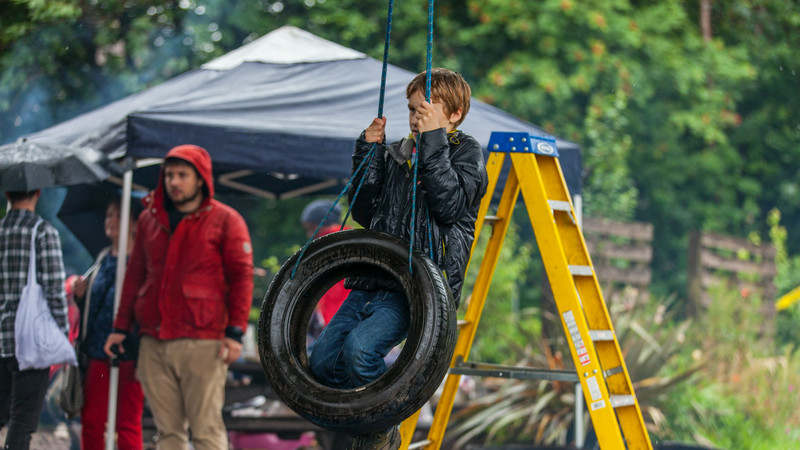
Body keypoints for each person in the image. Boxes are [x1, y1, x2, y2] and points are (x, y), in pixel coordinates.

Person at [308, 68, 488, 449]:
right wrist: (368, 151)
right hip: (374, 276)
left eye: (426, 108)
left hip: (418, 285)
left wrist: (434, 141)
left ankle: (382, 431)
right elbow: (363, 209)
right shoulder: (399, 153)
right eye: (412, 109)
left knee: (361, 352)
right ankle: (367, 424)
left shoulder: (466, 152)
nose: (415, 116)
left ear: (453, 114)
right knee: (323, 360)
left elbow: (449, 204)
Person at [103, 145, 254, 450]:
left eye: (182, 175)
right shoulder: (148, 219)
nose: (174, 181)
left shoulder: (226, 220)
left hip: (204, 340)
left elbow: (242, 277)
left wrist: (235, 332)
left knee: (206, 430)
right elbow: (134, 275)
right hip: (153, 340)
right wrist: (120, 328)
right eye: (169, 174)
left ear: (200, 179)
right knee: (167, 432)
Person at [71, 197, 144, 450]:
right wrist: (81, 293)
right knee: (92, 420)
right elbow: (94, 304)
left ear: (135, 223)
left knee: (127, 422)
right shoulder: (101, 259)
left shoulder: (142, 261)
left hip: (130, 352)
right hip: (97, 351)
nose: (110, 221)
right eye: (108, 215)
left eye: (119, 215)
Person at [0, 189, 69, 450]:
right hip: (31, 341)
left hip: (1, 339)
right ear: (39, 192)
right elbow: (54, 289)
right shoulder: (42, 232)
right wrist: (62, 334)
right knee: (23, 419)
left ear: (7, 192)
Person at [301, 199, 351, 327]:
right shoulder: (352, 236)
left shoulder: (326, 244)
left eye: (310, 229)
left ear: (320, 224)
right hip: (354, 312)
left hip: (338, 315)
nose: (309, 234)